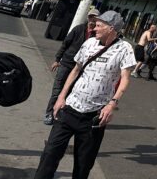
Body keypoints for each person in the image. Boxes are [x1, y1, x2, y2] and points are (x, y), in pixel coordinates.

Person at [33, 10, 135, 179]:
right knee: (50, 154)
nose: (94, 28)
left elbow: (125, 79)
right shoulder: (88, 44)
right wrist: (61, 97)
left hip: (94, 117)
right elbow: (75, 70)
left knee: (83, 165)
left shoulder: (124, 49)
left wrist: (112, 103)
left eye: (99, 25)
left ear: (111, 28)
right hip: (69, 108)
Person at [43, 6, 99, 125]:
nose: (92, 20)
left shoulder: (97, 36)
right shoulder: (78, 29)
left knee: (70, 92)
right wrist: (57, 59)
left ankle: (59, 114)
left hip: (80, 68)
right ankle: (49, 114)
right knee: (57, 91)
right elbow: (65, 44)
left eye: (95, 18)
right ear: (88, 18)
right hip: (66, 64)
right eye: (91, 17)